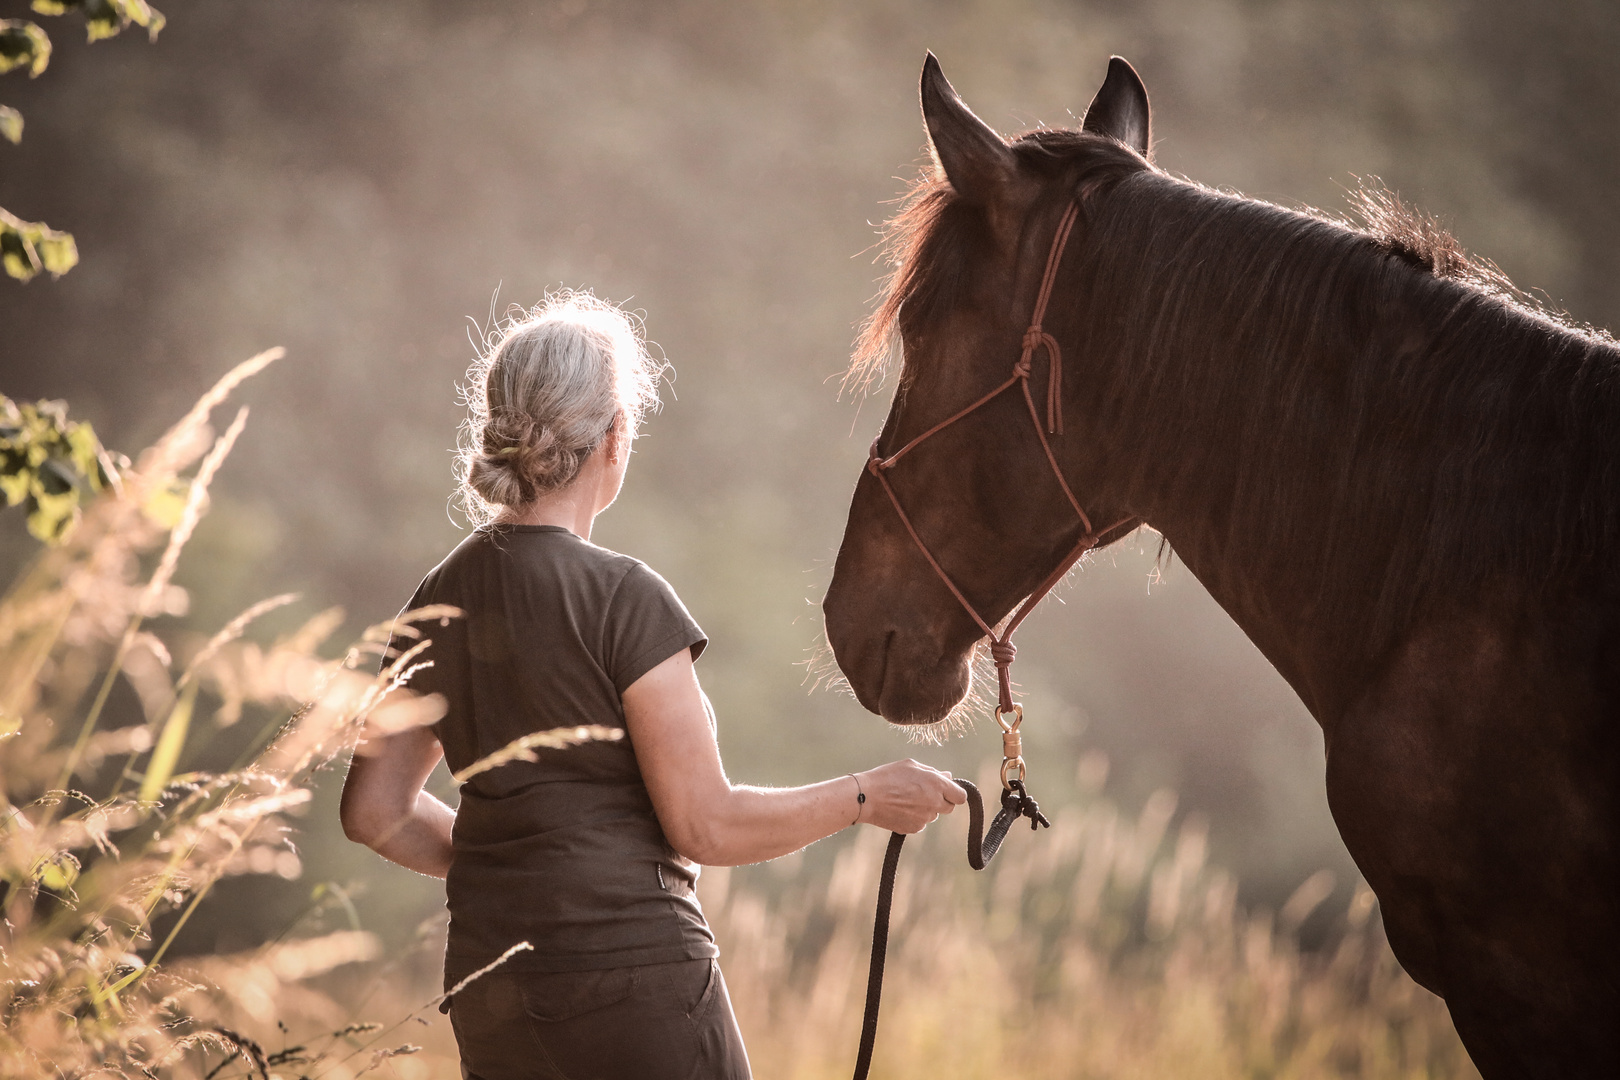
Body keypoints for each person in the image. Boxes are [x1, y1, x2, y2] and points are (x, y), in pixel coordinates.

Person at [339, 290, 966, 1080]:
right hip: (636, 986)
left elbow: (371, 811)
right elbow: (706, 826)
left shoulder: (437, 596)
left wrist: (514, 862)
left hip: (491, 982)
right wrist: (870, 795)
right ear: (613, 437)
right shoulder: (625, 597)